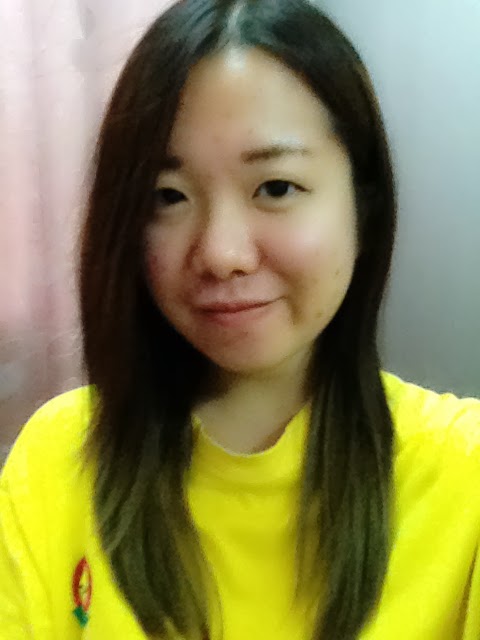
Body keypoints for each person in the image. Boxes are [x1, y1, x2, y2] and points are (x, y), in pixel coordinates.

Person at [1, 0, 479, 638]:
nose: (221, 253)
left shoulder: (465, 475)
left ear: (362, 205)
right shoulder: (57, 460)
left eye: (275, 187)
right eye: (167, 197)